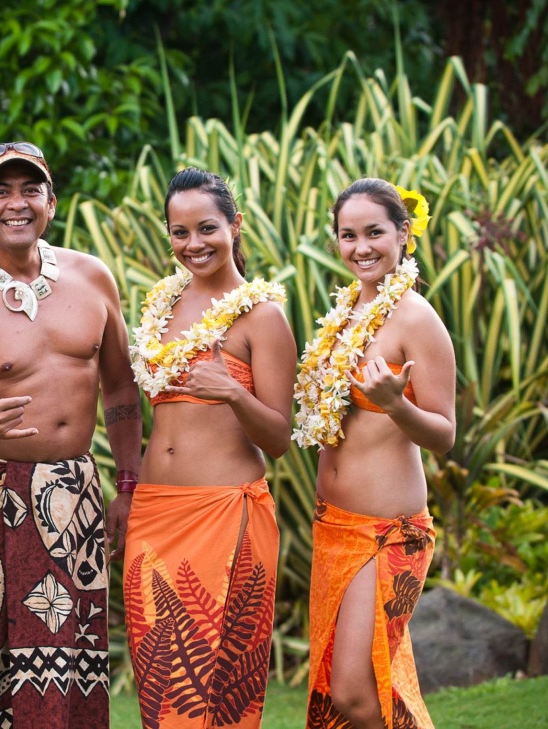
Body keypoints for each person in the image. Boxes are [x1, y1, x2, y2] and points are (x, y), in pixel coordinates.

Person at [0, 142, 142, 728]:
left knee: (73, 662)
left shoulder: (93, 278)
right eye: (1, 191)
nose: (18, 203)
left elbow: (119, 390)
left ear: (51, 203)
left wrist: (129, 485)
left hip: (77, 494)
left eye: (30, 189)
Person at [122, 168, 296, 728]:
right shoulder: (161, 308)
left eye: (206, 228)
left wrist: (232, 395)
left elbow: (279, 439)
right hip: (154, 512)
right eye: (179, 232)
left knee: (214, 682)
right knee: (160, 683)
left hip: (224, 511)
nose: (193, 244)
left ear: (234, 225)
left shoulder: (262, 316)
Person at [294, 178, 456, 729]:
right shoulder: (343, 317)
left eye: (374, 232)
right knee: (351, 688)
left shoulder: (416, 319)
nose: (360, 246)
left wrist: (396, 407)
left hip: (386, 530)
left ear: (403, 234)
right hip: (333, 525)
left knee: (355, 693)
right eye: (347, 235)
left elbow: (444, 435)